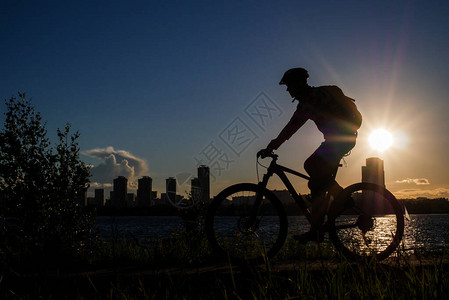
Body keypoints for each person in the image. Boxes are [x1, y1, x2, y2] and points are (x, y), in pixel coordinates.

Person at [257, 67, 361, 243]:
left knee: (311, 166)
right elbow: (292, 126)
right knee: (316, 182)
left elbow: (292, 127)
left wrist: (272, 146)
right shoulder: (312, 98)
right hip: (338, 139)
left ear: (298, 84)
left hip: (340, 139)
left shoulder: (310, 100)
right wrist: (274, 145)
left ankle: (342, 198)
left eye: (289, 86)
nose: (288, 90)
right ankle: (318, 227)